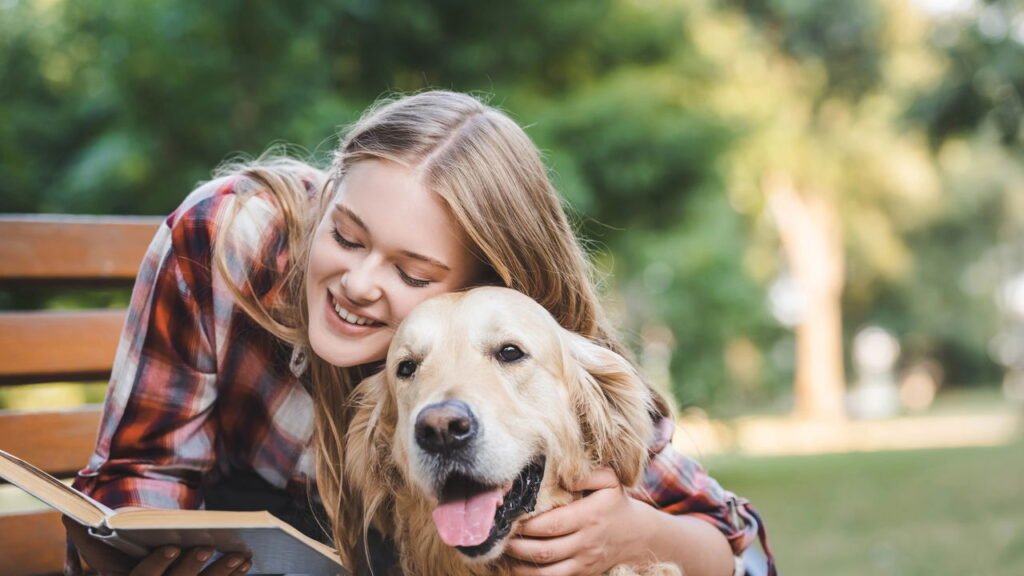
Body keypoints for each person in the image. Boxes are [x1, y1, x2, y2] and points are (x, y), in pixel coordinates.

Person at [65, 91, 775, 576]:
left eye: (412, 273)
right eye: (346, 235)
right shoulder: (234, 239)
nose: (360, 283)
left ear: (482, 282)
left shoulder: (536, 363)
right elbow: (134, 484)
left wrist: (636, 530)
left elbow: (746, 553)